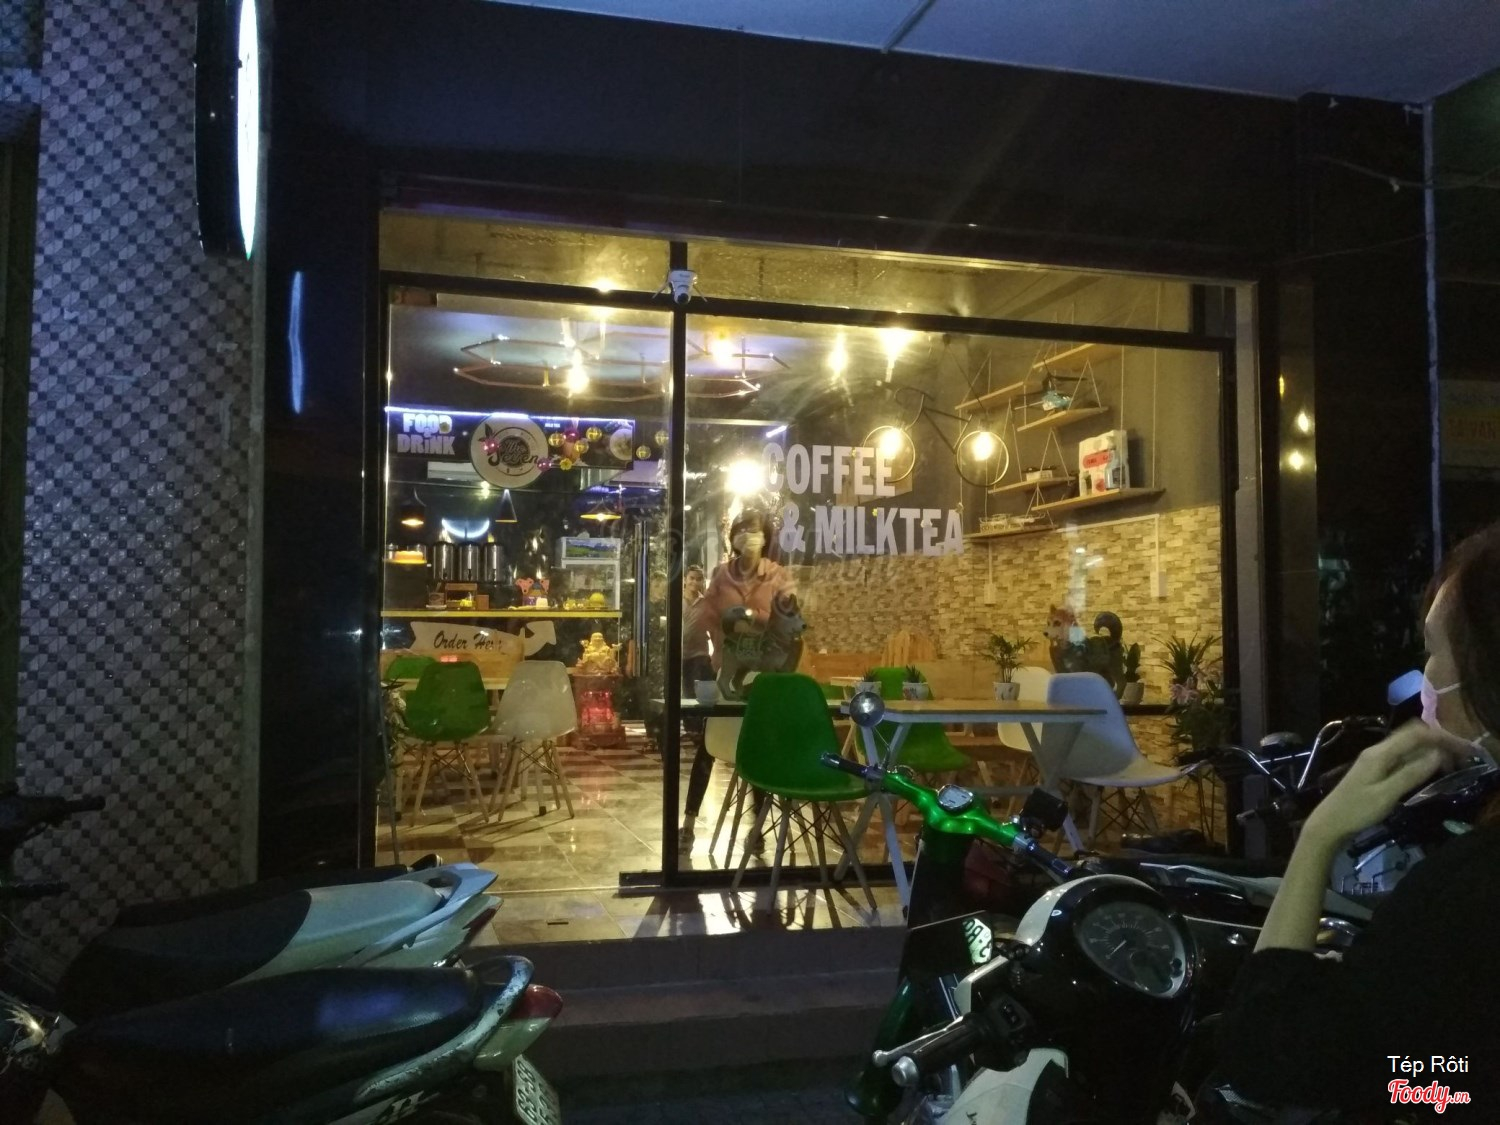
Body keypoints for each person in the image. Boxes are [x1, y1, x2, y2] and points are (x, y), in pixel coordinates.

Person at [1218, 521, 1500, 1113]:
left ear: (1485, 669)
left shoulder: (1467, 886)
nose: (1425, 675)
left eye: (1434, 649)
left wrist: (1319, 837)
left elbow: (1276, 1059)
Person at [681, 510, 795, 832]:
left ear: (766, 536)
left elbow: (786, 624)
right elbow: (708, 616)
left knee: (756, 746)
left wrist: (750, 616)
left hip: (763, 675)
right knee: (710, 743)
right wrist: (723, 635)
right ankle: (689, 819)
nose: (748, 536)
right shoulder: (721, 575)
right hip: (727, 671)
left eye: (754, 530)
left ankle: (758, 824)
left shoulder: (778, 576)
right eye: (742, 530)